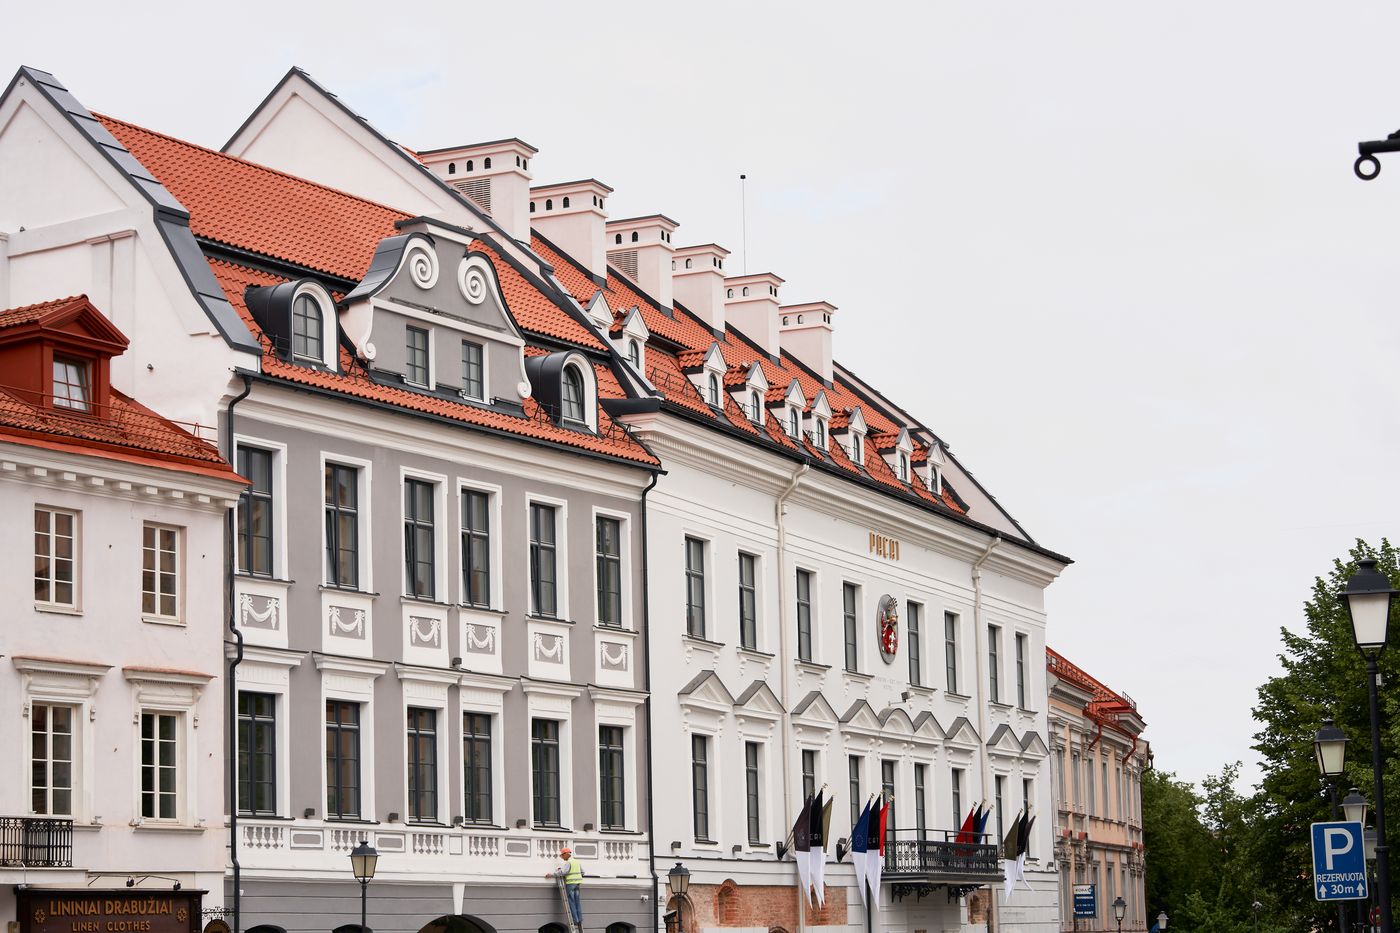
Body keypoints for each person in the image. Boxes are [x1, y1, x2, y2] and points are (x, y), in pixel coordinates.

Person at [547, 847, 583, 926]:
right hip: (578, 884)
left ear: (566, 854)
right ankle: (579, 919)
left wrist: (552, 875)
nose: (562, 857)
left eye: (562, 856)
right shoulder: (577, 862)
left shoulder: (569, 862)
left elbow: (563, 872)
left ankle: (575, 920)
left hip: (571, 884)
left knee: (571, 902)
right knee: (577, 902)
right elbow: (583, 872)